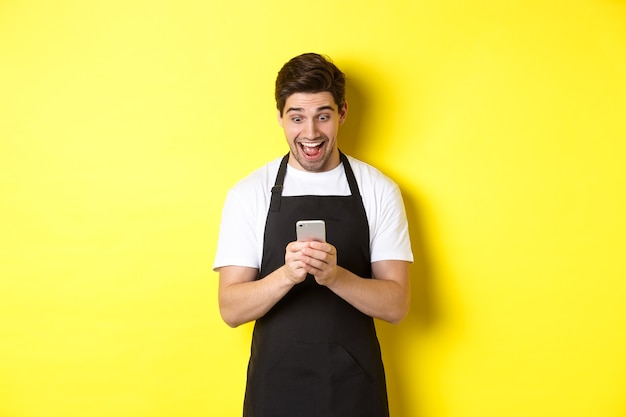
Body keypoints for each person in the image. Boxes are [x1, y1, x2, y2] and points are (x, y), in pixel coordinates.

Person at [213, 52, 413, 417]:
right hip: (275, 390)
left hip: (356, 390)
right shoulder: (249, 193)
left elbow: (396, 305)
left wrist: (334, 276)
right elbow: (231, 309)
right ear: (280, 118)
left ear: (343, 114)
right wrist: (288, 275)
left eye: (323, 116)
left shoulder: (378, 190)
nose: (310, 133)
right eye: (297, 118)